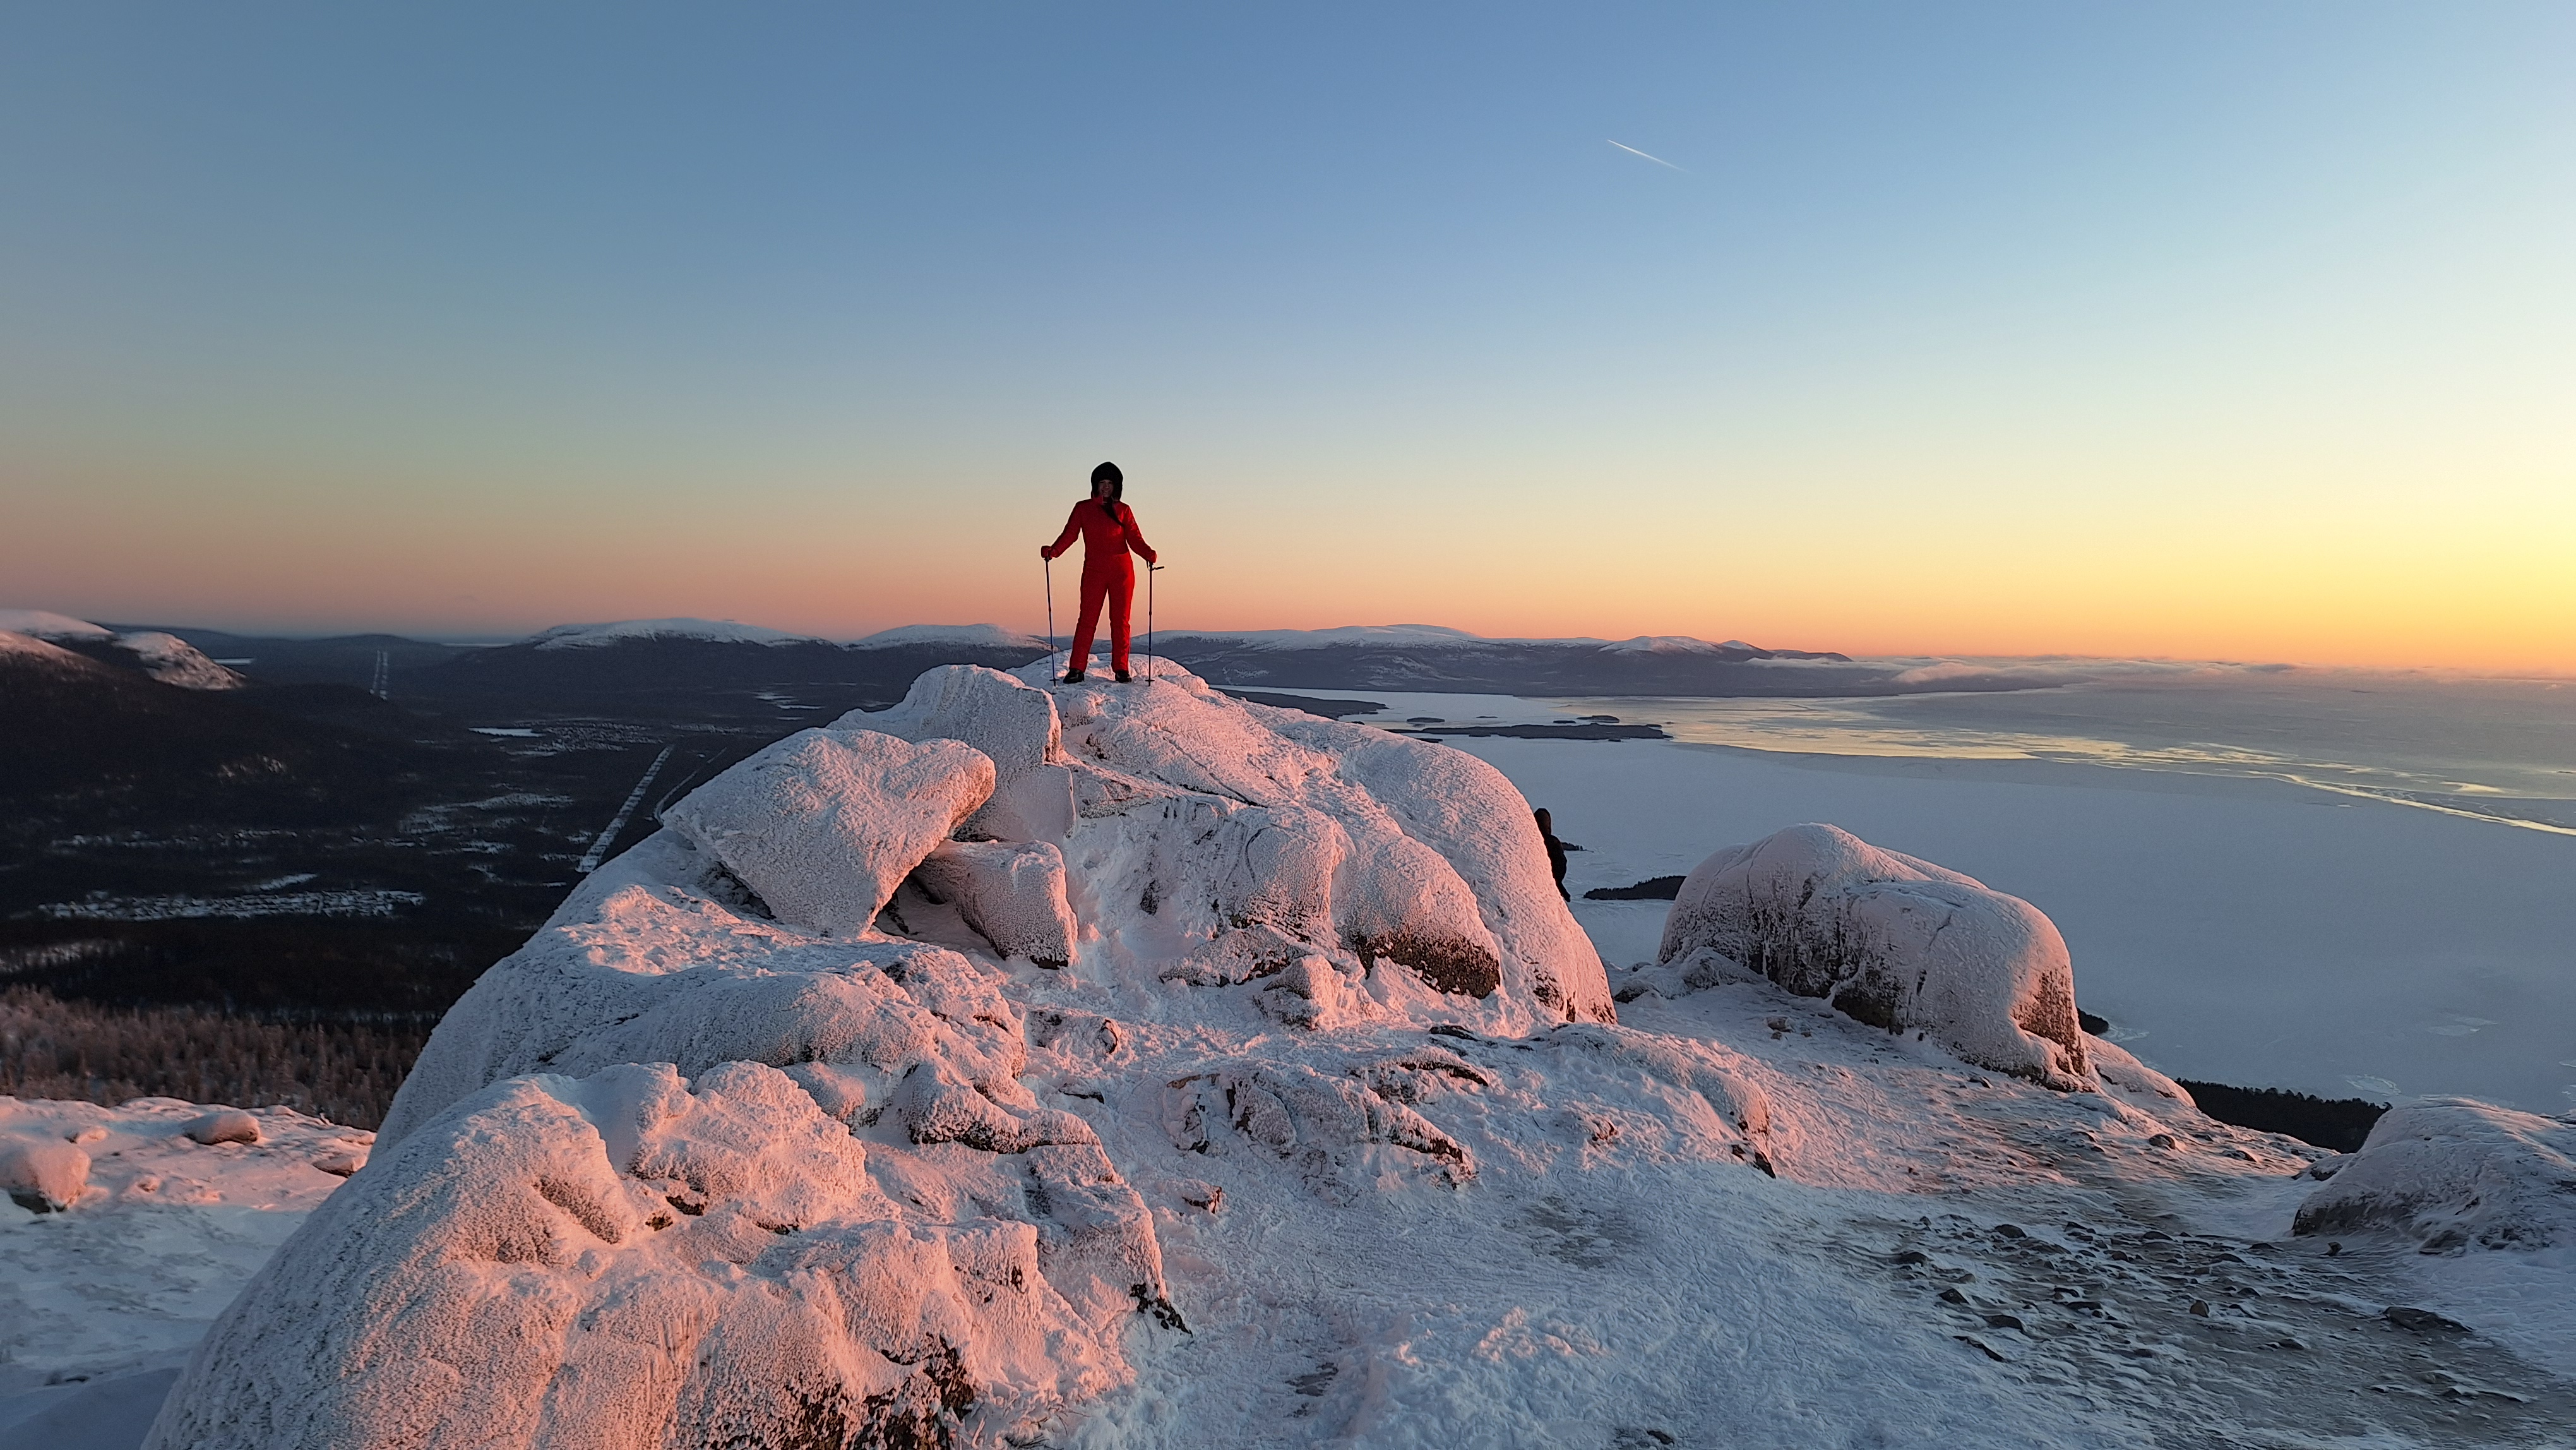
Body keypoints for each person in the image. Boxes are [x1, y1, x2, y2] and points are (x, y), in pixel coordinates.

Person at [1041, 461, 1159, 683]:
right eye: (1102, 483)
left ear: (1117, 486)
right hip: (1094, 571)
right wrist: (1054, 551)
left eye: (1110, 483)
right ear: (1095, 485)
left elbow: (1134, 538)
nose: (1106, 487)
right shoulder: (1082, 508)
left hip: (1122, 572)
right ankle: (1077, 668)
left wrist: (1148, 553)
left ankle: (1121, 668)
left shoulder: (1124, 510)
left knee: (1121, 621)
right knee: (1087, 619)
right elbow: (1070, 535)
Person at [1534, 808, 1570, 899]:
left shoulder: (1530, 841)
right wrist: (1557, 881)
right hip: (1549, 885)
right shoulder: (1553, 842)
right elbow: (1561, 863)